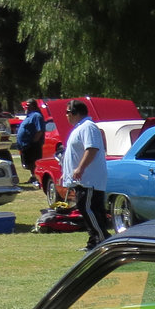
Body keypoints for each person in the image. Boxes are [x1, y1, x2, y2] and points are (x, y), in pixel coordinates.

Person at [61, 99, 109, 249]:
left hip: (89, 179)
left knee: (88, 209)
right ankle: (93, 241)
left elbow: (92, 149)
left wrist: (80, 168)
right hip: (81, 180)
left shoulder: (88, 127)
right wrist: (67, 172)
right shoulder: (79, 128)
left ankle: (103, 238)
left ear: (75, 113)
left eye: (68, 112)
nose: (66, 115)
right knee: (86, 209)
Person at [15, 100, 44, 184]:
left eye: (29, 105)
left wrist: (34, 142)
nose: (26, 107)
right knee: (29, 163)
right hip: (25, 145)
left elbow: (40, 130)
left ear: (34, 106)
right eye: (26, 105)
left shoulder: (36, 116)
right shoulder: (29, 116)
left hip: (32, 145)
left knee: (33, 162)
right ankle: (33, 177)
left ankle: (37, 178)